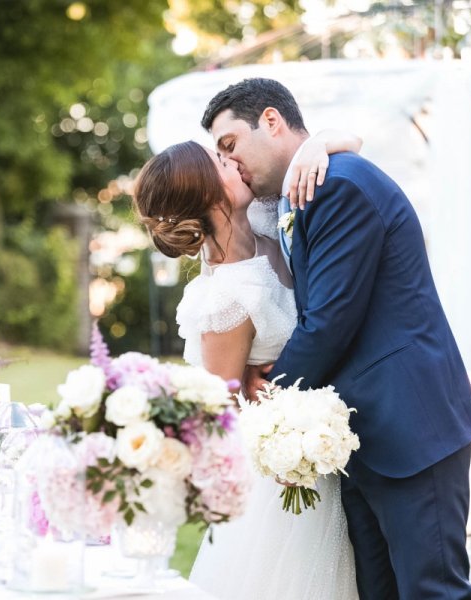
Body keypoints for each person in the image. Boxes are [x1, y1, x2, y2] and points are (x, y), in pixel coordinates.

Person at [202, 78, 471, 599]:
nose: (230, 162)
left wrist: (269, 399)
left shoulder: (338, 185)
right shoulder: (297, 192)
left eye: (230, 145)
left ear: (270, 120)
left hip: (411, 428)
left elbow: (328, 322)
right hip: (361, 441)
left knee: (431, 591)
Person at [133, 131, 362, 599]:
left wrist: (316, 145)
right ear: (205, 194)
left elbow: (353, 140)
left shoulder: (263, 218)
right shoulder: (225, 298)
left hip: (323, 442)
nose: (234, 161)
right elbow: (220, 415)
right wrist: (268, 400)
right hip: (285, 474)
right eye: (220, 161)